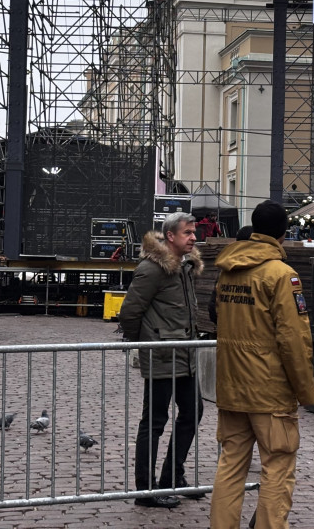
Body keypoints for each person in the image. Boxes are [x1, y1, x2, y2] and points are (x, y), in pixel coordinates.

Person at [209, 201, 314, 529]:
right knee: (277, 468)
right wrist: (306, 391)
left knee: (231, 466)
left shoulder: (229, 270)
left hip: (232, 386)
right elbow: (294, 339)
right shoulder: (281, 275)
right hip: (269, 390)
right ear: (283, 233)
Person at [119, 212, 204, 509]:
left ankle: (171, 477)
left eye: (193, 232)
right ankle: (145, 489)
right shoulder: (153, 269)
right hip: (162, 354)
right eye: (187, 233)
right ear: (170, 236)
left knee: (193, 412)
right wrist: (143, 344)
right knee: (154, 421)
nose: (193, 237)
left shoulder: (184, 266)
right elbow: (130, 311)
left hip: (185, 354)